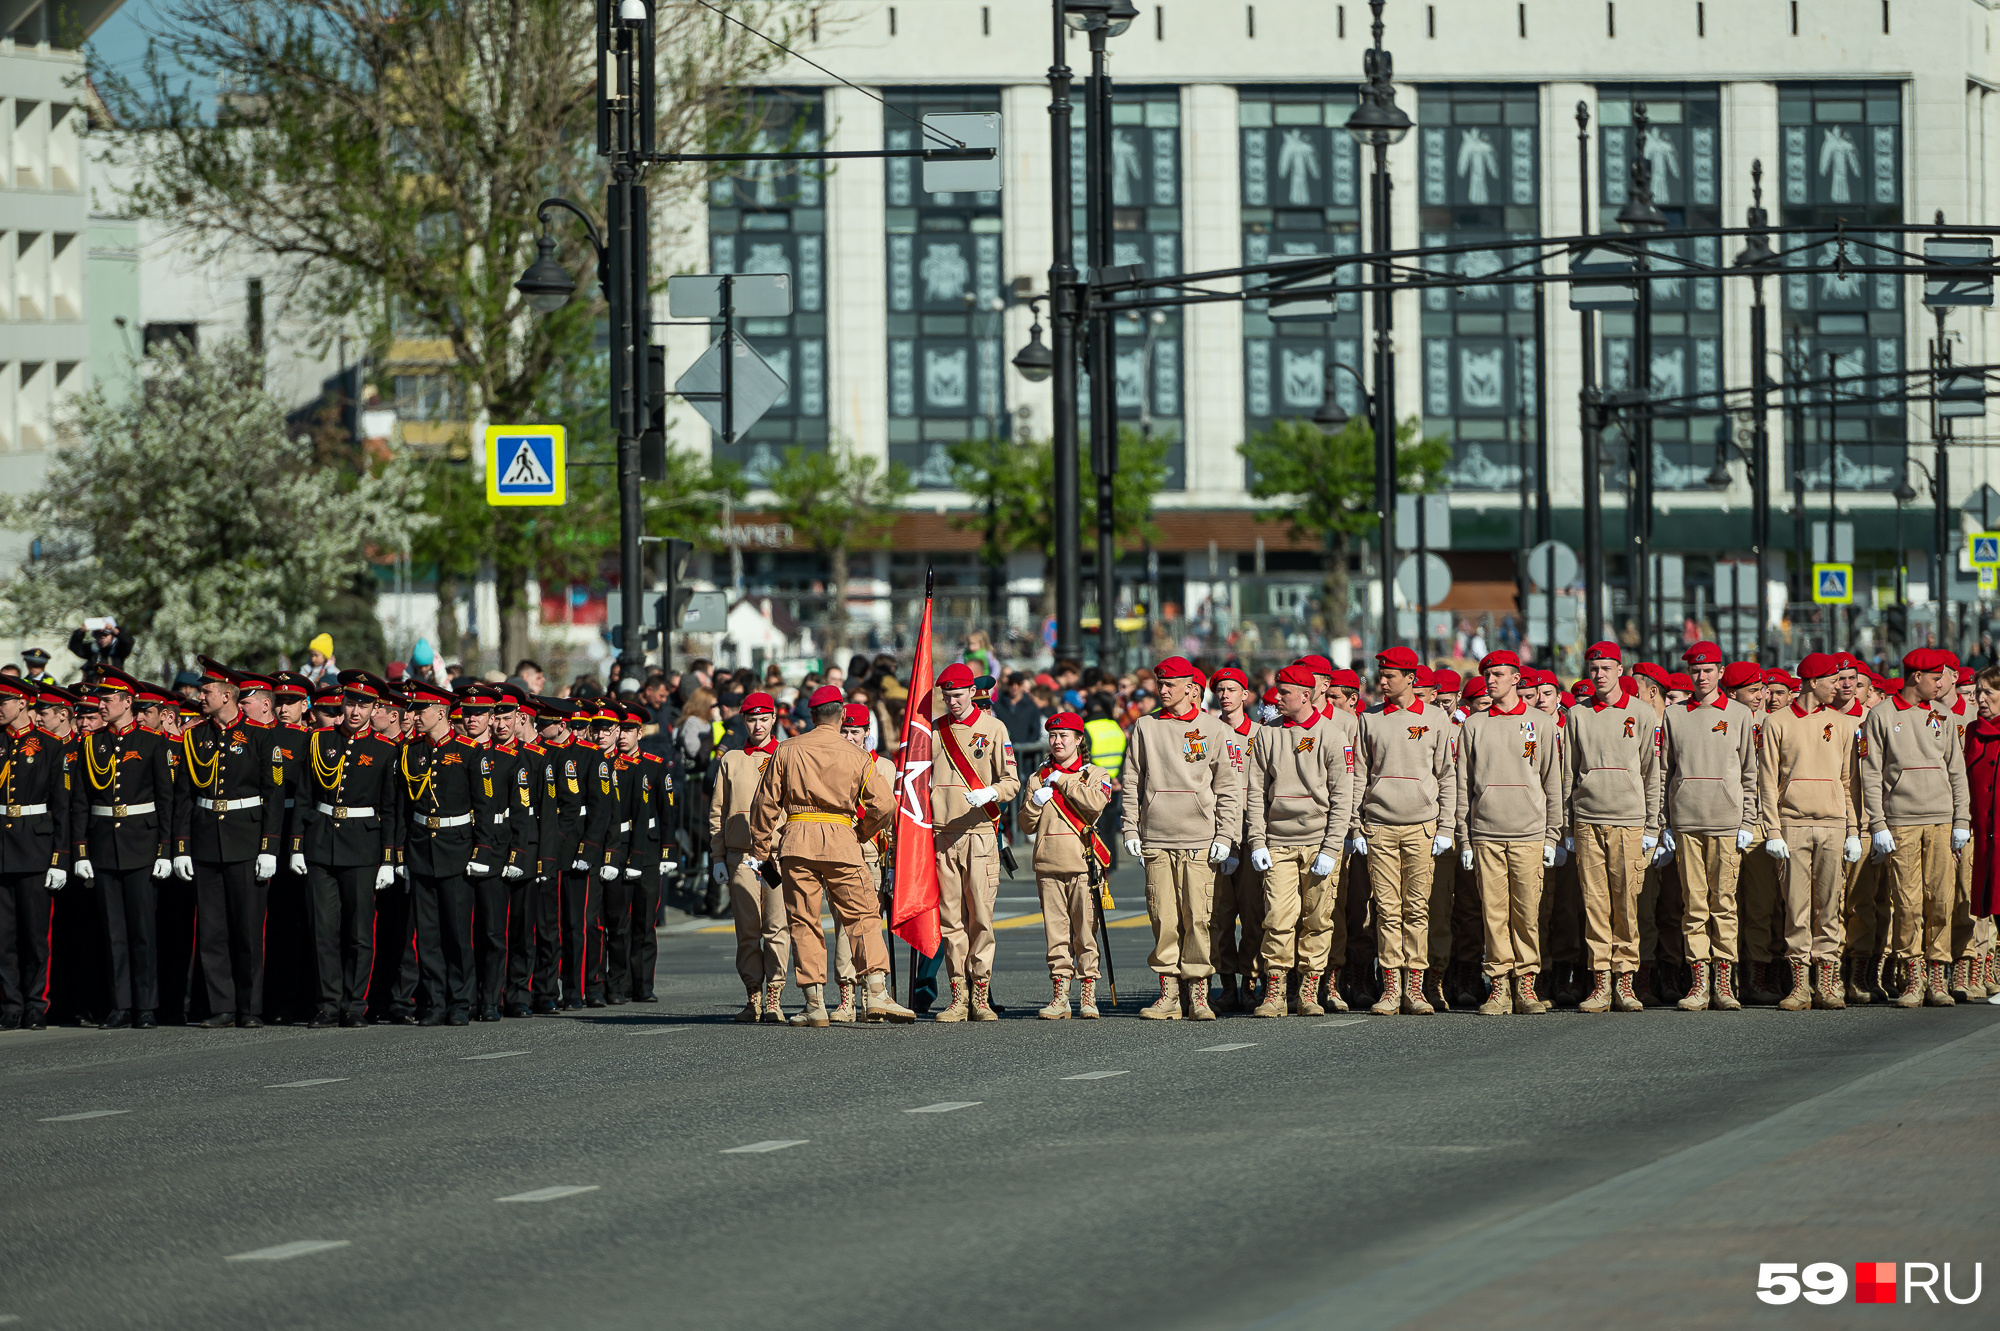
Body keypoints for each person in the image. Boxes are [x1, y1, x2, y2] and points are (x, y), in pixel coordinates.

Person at [744, 684, 911, 1025]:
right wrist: (861, 833)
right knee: (862, 915)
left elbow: (764, 805)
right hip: (842, 840)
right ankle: (876, 992)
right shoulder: (857, 755)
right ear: (841, 717)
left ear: (812, 716)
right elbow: (884, 805)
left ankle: (813, 1003)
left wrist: (761, 851)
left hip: (796, 839)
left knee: (804, 920)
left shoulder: (788, 749)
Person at [1120, 655, 1242, 1021]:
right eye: (1160, 683)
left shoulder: (1214, 729)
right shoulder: (1145, 726)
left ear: (1191, 688)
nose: (1163, 690)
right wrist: (1130, 828)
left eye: (1170, 684)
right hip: (1157, 837)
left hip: (1199, 838)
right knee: (1164, 918)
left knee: (1200, 918)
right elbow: (1131, 782)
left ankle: (1200, 993)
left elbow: (1228, 787)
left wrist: (1226, 834)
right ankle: (1169, 994)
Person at [174, 659, 285, 1029]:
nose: (199, 696)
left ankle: (249, 1007)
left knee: (248, 929)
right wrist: (181, 845)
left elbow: (273, 795)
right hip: (207, 839)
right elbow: (184, 796)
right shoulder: (194, 736)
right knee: (212, 929)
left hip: (246, 839)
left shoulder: (261, 737)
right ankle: (221, 1006)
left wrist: (270, 847)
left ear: (227, 695)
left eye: (206, 691)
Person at [1244, 661, 1357, 1018]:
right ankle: (1275, 991)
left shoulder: (1332, 736)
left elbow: (1343, 797)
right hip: (1278, 842)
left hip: (1319, 843)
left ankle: (1310, 990)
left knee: (1318, 918)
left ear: (1306, 696)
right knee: (1277, 917)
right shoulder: (1267, 734)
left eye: (1285, 692)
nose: (1277, 697)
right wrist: (1257, 841)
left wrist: (1331, 845)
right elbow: (1255, 793)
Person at [1860, 648, 1970, 1007]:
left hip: (1941, 820)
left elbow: (1956, 771)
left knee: (1941, 898)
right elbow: (1871, 772)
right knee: (1906, 902)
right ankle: (1912, 977)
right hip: (1901, 822)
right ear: (1915, 678)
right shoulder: (1881, 715)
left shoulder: (1944, 715)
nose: (1941, 684)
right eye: (1935, 678)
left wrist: (1961, 820)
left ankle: (1937, 976)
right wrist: (1877, 823)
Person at [1455, 650, 1563, 1015]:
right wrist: (1465, 837)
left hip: (1529, 832)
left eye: (1499, 674)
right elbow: (1462, 785)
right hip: (1486, 832)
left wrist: (1552, 835)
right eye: (1487, 674)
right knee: (1493, 913)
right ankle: (1498, 986)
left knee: (1527, 912)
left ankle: (1527, 986)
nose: (1490, 680)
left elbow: (1553, 781)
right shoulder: (1474, 724)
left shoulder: (1541, 724)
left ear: (1517, 678)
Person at [392, 679, 503, 1026]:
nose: (413, 716)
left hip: (457, 847)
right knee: (427, 934)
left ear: (441, 711)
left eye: (420, 709)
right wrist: (397, 854)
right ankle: (435, 1001)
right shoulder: (410, 752)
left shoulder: (470, 753)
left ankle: (460, 1002)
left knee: (457, 933)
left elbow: (484, 807)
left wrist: (481, 849)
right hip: (422, 847)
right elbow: (401, 808)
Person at [71, 666, 178, 1030]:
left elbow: (166, 801)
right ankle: (121, 1004)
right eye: (100, 699)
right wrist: (81, 850)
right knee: (113, 930)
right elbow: (81, 802)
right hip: (103, 844)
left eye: (107, 699)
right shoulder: (92, 742)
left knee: (143, 929)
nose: (100, 705)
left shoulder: (152, 742)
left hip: (142, 842)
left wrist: (166, 850)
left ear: (127, 702)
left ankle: (146, 1005)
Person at [1757, 652, 1863, 1011]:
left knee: (1829, 906)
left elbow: (1849, 782)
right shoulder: (1777, 722)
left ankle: (1828, 984)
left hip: (1833, 824)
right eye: (1833, 680)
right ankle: (1800, 985)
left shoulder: (1844, 724)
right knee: (1796, 907)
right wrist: (1772, 830)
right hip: (1792, 825)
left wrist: (1852, 829)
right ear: (1812, 682)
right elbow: (1768, 782)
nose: (1840, 687)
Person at [298, 672, 404, 1027]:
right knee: (323, 928)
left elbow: (390, 809)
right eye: (351, 702)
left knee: (359, 932)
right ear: (341, 704)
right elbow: (304, 797)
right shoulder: (319, 740)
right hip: (321, 843)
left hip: (362, 846)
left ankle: (355, 1004)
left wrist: (388, 857)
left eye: (364, 704)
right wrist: (298, 845)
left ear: (376, 709)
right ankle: (327, 1004)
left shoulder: (386, 749)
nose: (356, 710)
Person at [1659, 641, 1760, 1011]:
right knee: (1694, 904)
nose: (1701, 677)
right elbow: (1664, 772)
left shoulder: (1738, 714)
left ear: (1720, 673)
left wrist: (1748, 818)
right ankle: (1699, 981)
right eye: (1695, 671)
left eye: (1708, 670)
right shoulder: (1675, 715)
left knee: (1725, 904)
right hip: (1686, 820)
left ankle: (1724, 981)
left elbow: (1751, 772)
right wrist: (1665, 822)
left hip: (1726, 821)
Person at [1561, 643, 1661, 1013]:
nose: (1598, 674)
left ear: (1621, 670)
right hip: (1587, 820)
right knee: (1595, 904)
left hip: (1629, 821)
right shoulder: (1577, 714)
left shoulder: (1642, 714)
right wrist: (1567, 826)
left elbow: (1653, 773)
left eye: (1605, 667)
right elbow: (1567, 773)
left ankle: (1626, 982)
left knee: (1626, 904)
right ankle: (1600, 982)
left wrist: (1652, 824)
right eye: (1593, 668)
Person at [928, 661, 1020, 1022]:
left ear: (972, 693)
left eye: (958, 694)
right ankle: (958, 995)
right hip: (943, 833)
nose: (952, 701)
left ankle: (980, 994)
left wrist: (990, 792)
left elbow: (1011, 781)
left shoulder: (994, 728)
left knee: (980, 917)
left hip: (979, 833)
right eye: (947, 695)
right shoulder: (935, 731)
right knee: (950, 920)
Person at [1024, 711, 1112, 1020]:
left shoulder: (1095, 774)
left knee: (1085, 932)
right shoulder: (1036, 776)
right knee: (1056, 934)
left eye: (1064, 736)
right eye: (1053, 736)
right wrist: (1035, 802)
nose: (1057, 741)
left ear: (1078, 740)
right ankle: (1060, 995)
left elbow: (1095, 804)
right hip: (1047, 864)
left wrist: (1062, 781)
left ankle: (1087, 993)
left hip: (1082, 864)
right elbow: (1025, 824)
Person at [711, 693, 787, 1022]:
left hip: (775, 858)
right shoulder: (730, 759)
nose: (758, 725)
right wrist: (717, 856)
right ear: (744, 722)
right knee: (747, 928)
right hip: (741, 856)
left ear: (773, 720)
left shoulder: (786, 755)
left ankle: (775, 996)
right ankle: (753, 994)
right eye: (752, 719)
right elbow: (717, 812)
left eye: (764, 718)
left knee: (777, 927)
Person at [0, 676, 69, 1031]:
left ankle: (35, 1004)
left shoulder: (50, 747)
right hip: (2, 848)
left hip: (35, 846)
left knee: (35, 934)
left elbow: (62, 806)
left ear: (24, 704)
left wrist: (60, 856)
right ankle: (10, 1004)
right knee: (3, 935)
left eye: (5, 701)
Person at [837, 701, 897, 1024]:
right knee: (844, 928)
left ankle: (874, 993)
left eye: (855, 732)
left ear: (866, 733)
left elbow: (894, 817)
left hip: (875, 853)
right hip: (843, 852)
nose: (849, 737)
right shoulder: (831, 763)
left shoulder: (884, 767)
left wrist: (892, 863)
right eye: (844, 731)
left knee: (872, 926)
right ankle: (846, 996)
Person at [1207, 666, 1262, 1012]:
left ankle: (1251, 982)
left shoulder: (1262, 734)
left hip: (1251, 832)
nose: (1225, 695)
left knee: (1255, 913)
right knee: (1220, 915)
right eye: (1220, 690)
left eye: (1232, 689)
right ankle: (1226, 983)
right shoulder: (1207, 733)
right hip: (1216, 835)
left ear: (1246, 695)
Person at [68, 618, 134, 670]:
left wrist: (114, 630)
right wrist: (80, 632)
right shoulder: (92, 649)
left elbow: (128, 642)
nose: (102, 638)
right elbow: (74, 647)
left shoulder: (118, 651)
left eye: (105, 635)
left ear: (112, 636)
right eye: (98, 635)